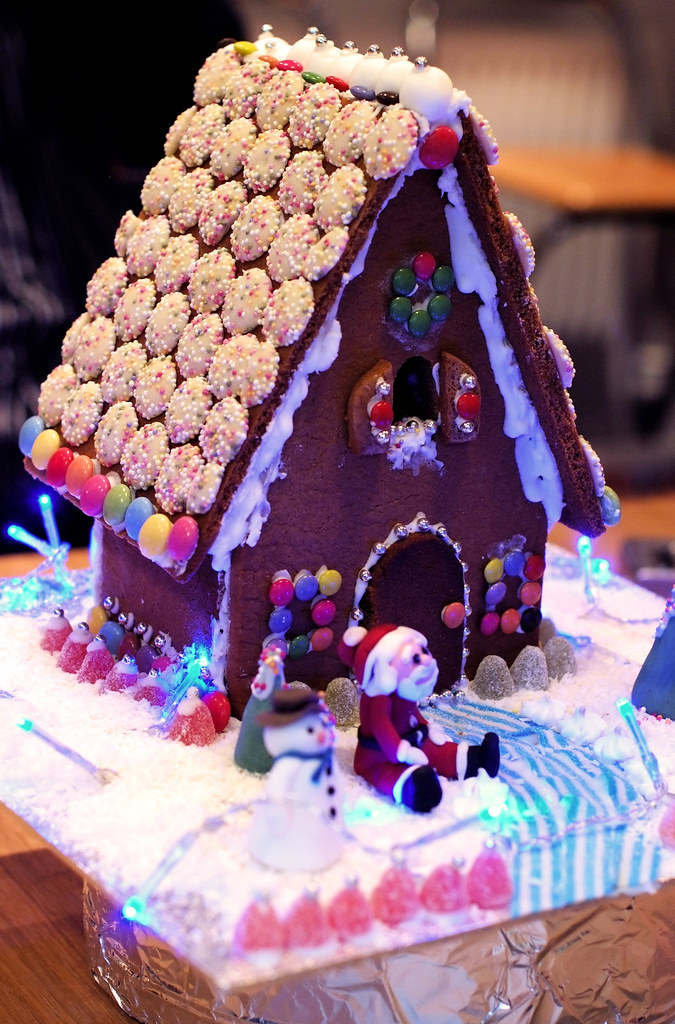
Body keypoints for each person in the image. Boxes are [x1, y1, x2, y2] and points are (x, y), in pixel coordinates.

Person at [338, 623, 500, 812]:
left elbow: (411, 712)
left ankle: (476, 760)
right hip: (379, 756)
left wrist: (427, 728)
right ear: (385, 670)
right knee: (389, 774)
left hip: (415, 741)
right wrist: (402, 753)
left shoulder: (404, 690)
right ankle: (415, 788)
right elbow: (382, 730)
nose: (426, 660)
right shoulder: (377, 700)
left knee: (440, 752)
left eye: (423, 651)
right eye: (415, 658)